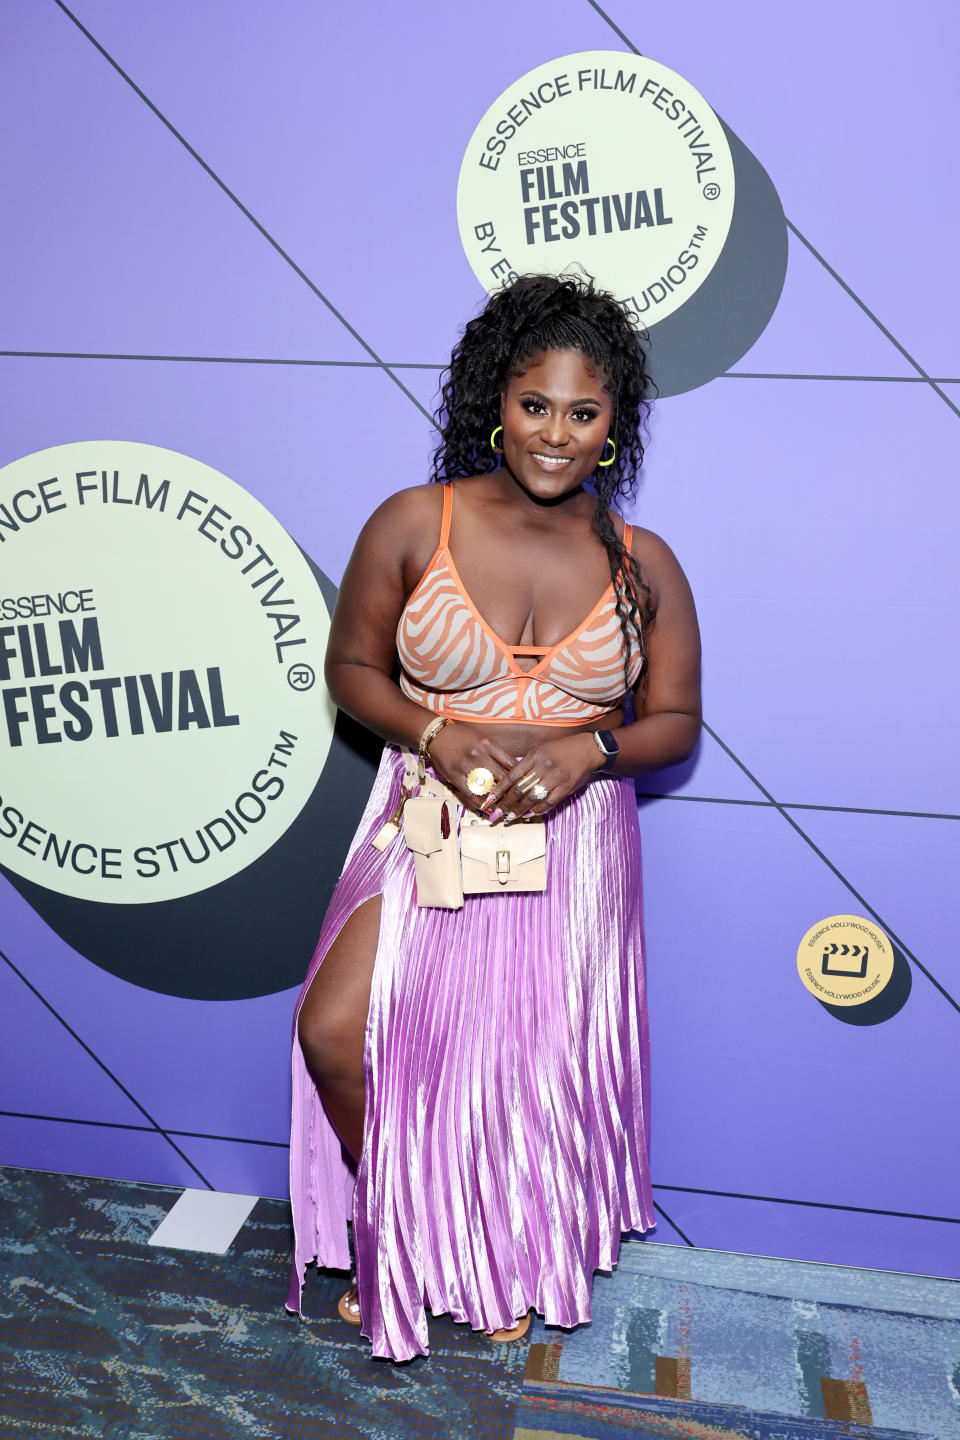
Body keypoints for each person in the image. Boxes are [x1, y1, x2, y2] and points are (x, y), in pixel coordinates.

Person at [287, 272, 701, 1362]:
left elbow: (676, 726)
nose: (554, 435)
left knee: (518, 1077)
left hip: (573, 849)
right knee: (336, 1031)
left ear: (614, 424)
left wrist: (587, 748)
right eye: (533, 405)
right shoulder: (414, 521)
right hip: (427, 821)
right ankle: (408, 1229)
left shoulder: (642, 563)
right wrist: (435, 731)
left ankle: (491, 1254)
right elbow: (352, 668)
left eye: (582, 411)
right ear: (493, 403)